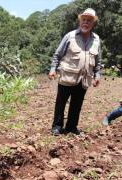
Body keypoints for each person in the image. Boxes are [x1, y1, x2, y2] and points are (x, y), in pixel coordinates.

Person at [49, 8, 102, 136]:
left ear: (93, 23)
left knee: (76, 105)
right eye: (84, 19)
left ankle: (71, 127)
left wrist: (97, 74)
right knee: (60, 103)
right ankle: (57, 127)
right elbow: (57, 54)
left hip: (84, 78)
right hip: (67, 76)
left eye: (89, 20)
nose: (86, 22)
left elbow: (98, 60)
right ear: (80, 21)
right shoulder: (70, 36)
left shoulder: (96, 39)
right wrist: (52, 69)